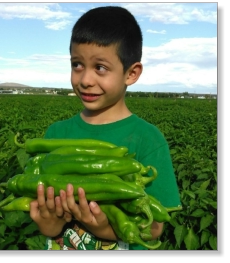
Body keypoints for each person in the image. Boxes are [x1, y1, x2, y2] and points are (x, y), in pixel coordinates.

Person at [29, 6, 181, 250]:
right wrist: (49, 226)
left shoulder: (147, 139)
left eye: (100, 67)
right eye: (77, 64)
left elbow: (154, 228)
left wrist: (103, 228)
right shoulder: (55, 135)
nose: (85, 80)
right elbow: (49, 221)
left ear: (131, 74)